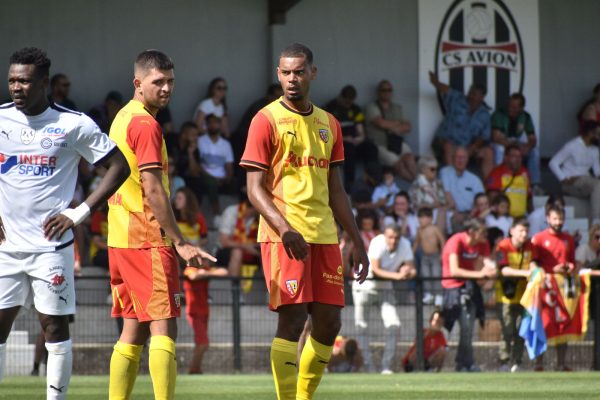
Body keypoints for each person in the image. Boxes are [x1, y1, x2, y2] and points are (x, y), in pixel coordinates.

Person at [240, 43, 369, 400]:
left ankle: (304, 396)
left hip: (324, 236)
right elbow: (253, 188)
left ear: (313, 72)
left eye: (299, 71)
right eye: (285, 72)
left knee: (329, 324)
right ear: (277, 75)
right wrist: (284, 228)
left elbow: (336, 190)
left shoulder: (330, 124)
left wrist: (357, 242)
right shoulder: (264, 120)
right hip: (285, 236)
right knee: (293, 321)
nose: (292, 79)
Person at [0, 47, 129, 399]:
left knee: (53, 325)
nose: (16, 87)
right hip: (5, 247)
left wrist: (79, 212)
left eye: (24, 81)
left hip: (51, 247)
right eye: (12, 80)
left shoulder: (73, 124)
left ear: (44, 83)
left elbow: (119, 167)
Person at [107, 49, 215, 400]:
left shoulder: (122, 117)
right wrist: (180, 241)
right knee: (163, 327)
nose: (167, 88)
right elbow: (152, 188)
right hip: (147, 237)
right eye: (158, 82)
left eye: (170, 81)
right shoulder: (145, 124)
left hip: (120, 237)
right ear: (138, 83)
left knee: (132, 329)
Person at [352, 225, 416, 374]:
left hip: (385, 287)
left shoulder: (405, 244)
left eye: (396, 238)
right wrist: (398, 276)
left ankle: (386, 366)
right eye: (390, 237)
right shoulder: (377, 242)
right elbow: (376, 269)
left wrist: (407, 272)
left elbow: (412, 269)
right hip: (364, 285)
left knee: (394, 324)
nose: (393, 241)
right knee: (361, 326)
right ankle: (368, 366)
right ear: (385, 236)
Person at [441, 219, 496, 371]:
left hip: (471, 286)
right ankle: (465, 362)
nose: (486, 235)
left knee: (469, 327)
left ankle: (464, 363)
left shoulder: (483, 243)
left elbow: (486, 264)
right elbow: (454, 270)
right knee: (464, 325)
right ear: (471, 232)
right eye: (482, 232)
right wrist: (479, 274)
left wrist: (491, 274)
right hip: (452, 287)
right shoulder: (455, 241)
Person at [530, 205, 576, 371]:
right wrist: (548, 270)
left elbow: (572, 261)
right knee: (544, 322)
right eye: (555, 219)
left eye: (561, 219)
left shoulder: (568, 239)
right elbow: (534, 262)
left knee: (563, 322)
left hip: (563, 286)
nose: (558, 222)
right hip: (545, 286)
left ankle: (561, 363)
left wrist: (570, 266)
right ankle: (539, 363)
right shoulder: (538, 239)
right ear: (547, 219)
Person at [429, 71, 493, 178]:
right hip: (444, 142)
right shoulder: (457, 99)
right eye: (470, 92)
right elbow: (446, 89)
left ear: (482, 97)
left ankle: (489, 189)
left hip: (467, 148)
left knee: (488, 152)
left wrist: (473, 148)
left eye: (474, 94)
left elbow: (484, 136)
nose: (470, 96)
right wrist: (435, 82)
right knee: (449, 145)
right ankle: (452, 181)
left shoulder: (484, 114)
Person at [494, 218, 536, 372]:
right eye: (520, 230)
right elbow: (504, 270)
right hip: (505, 296)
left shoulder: (530, 246)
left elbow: (533, 263)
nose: (523, 234)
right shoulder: (502, 246)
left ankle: (517, 362)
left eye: (526, 231)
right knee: (507, 330)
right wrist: (527, 273)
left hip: (524, 296)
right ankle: (503, 361)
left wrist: (535, 270)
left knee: (521, 330)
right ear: (512, 231)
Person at [325, 85, 378, 190]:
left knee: (371, 148)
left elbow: (360, 130)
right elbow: (326, 133)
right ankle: (350, 187)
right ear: (341, 97)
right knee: (348, 150)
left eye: (350, 101)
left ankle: (373, 181)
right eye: (346, 101)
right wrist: (344, 139)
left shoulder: (355, 109)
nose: (348, 104)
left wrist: (360, 138)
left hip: (354, 142)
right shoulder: (329, 108)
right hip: (337, 144)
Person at [365, 80, 417, 182]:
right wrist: (398, 124)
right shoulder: (372, 107)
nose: (386, 92)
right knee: (399, 164)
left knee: (410, 158)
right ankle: (418, 185)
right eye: (384, 90)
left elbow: (408, 126)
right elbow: (380, 123)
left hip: (396, 142)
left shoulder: (397, 107)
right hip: (380, 145)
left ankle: (420, 184)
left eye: (389, 90)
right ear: (378, 92)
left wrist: (390, 126)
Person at [549, 120, 600, 224]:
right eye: (598, 134)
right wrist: (563, 179)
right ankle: (596, 221)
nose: (599, 137)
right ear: (590, 133)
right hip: (571, 183)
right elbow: (553, 163)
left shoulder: (595, 150)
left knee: (597, 184)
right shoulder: (572, 145)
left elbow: (597, 171)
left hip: (587, 183)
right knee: (597, 184)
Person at [490, 93, 541, 188]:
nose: (510, 108)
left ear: (521, 108)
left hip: (514, 142)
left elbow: (533, 138)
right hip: (497, 144)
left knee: (534, 151)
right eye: (509, 105)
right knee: (500, 149)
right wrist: (514, 147)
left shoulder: (525, 116)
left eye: (514, 107)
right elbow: (496, 137)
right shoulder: (499, 114)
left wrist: (528, 147)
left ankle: (534, 185)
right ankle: (500, 179)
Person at [440, 147, 485, 232]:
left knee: (480, 228)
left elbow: (481, 199)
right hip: (452, 213)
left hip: (472, 214)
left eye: (463, 157)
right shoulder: (445, 172)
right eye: (457, 157)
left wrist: (472, 214)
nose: (460, 160)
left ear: (467, 160)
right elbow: (447, 194)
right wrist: (456, 213)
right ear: (452, 158)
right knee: (459, 226)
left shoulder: (474, 179)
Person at [197, 113, 234, 216]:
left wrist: (228, 178)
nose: (213, 125)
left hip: (222, 177)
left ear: (220, 125)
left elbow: (229, 165)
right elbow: (198, 164)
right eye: (210, 123)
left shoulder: (226, 144)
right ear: (206, 125)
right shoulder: (200, 141)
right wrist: (213, 178)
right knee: (210, 182)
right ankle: (217, 213)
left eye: (215, 123)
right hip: (205, 176)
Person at [486, 143, 532, 218]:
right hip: (504, 218)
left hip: (521, 218)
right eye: (514, 156)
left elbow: (529, 198)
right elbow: (492, 198)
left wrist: (531, 215)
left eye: (519, 156)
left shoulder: (525, 172)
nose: (517, 159)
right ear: (505, 157)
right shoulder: (497, 173)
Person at [409, 155, 454, 233]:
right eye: (432, 169)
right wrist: (431, 206)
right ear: (423, 170)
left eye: (436, 169)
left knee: (453, 215)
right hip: (422, 213)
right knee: (441, 213)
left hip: (438, 210)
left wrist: (443, 206)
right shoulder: (416, 185)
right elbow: (414, 206)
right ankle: (440, 241)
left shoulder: (438, 183)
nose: (435, 171)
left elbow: (444, 201)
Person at [413, 207, 445, 305]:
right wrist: (411, 253)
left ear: (430, 218)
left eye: (423, 218)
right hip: (424, 257)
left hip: (435, 256)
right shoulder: (419, 230)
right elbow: (417, 242)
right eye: (419, 218)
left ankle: (438, 295)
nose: (420, 220)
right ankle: (428, 294)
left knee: (436, 275)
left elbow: (442, 241)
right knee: (425, 275)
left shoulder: (434, 229)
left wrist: (443, 254)